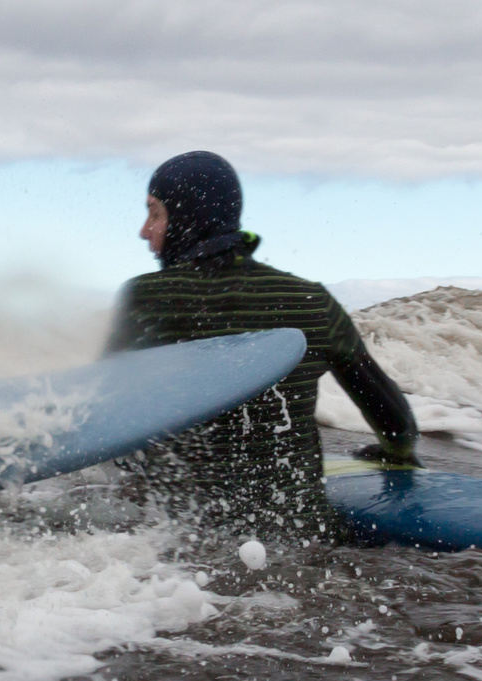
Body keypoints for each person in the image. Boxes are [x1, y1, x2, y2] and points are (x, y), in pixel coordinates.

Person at [105, 151, 419, 529]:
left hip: (177, 543)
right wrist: (396, 453)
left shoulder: (144, 298)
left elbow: (104, 414)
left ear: (188, 220)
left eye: (155, 213)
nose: (145, 230)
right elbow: (394, 418)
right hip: (297, 534)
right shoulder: (311, 300)